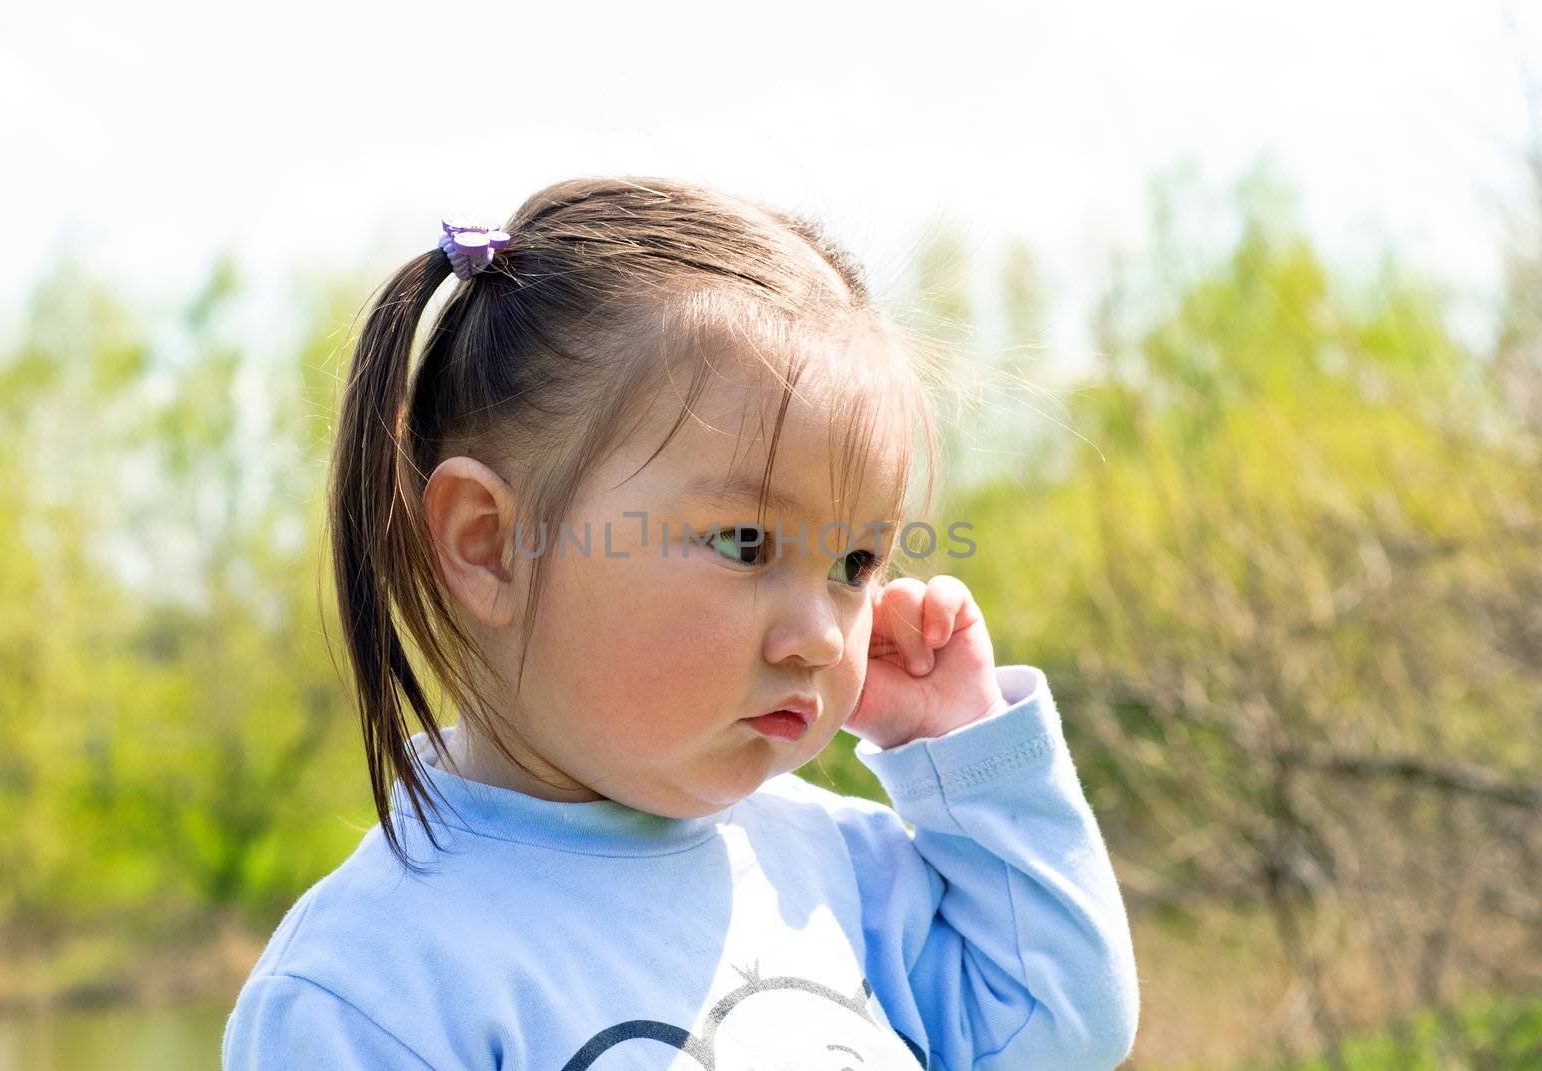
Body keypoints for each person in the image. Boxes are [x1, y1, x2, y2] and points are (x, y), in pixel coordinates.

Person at [221, 177, 1140, 1069]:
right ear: (492, 543)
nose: (822, 634)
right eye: (746, 544)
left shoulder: (835, 867)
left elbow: (1057, 1030)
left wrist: (967, 751)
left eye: (856, 564)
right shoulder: (373, 989)